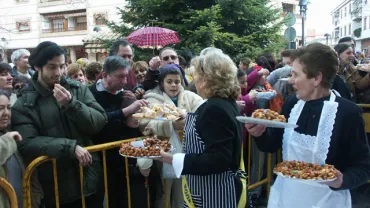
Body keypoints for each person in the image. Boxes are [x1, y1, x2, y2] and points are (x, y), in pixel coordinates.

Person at [245, 43, 370, 208]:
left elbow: (362, 167)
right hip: (286, 198)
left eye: (295, 75)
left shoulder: (348, 113)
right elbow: (272, 144)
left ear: (317, 78)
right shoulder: (291, 103)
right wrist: (258, 133)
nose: (290, 81)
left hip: (328, 201)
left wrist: (342, 180)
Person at [11, 41, 108, 208]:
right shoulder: (24, 104)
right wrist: (69, 147)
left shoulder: (77, 89)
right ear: (38, 67)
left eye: (61, 66)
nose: (58, 72)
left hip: (89, 179)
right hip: (55, 187)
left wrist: (72, 104)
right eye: (51, 67)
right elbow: (27, 143)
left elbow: (98, 121)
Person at [160, 51, 247, 208]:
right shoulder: (224, 103)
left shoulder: (214, 108)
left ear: (207, 79)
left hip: (214, 195)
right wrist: (189, 120)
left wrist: (173, 159)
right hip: (213, 191)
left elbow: (218, 159)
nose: (195, 80)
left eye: (197, 76)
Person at [140, 64, 203, 208]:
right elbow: (145, 124)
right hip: (162, 155)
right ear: (162, 83)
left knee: (183, 194)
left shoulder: (190, 96)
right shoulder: (151, 99)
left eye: (177, 81)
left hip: (187, 153)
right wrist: (171, 125)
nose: (174, 85)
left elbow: (203, 113)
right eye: (169, 81)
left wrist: (189, 118)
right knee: (164, 196)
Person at [0, 90, 43, 208]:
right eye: (0, 108)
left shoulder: (14, 132)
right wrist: (5, 141)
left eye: (8, 108)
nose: (6, 113)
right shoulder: (8, 138)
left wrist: (36, 197)